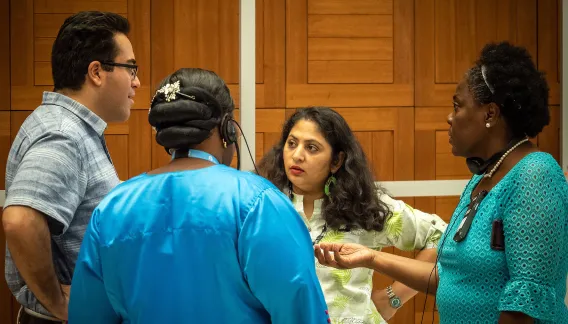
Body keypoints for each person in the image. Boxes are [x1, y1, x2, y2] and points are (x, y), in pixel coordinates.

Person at [315, 41, 568, 324]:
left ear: (490, 114)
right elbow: (450, 279)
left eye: (457, 106)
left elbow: (526, 304)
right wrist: (369, 258)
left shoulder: (534, 175)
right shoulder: (482, 178)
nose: (449, 117)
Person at [67, 68, 330, 323]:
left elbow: (87, 314)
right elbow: (302, 309)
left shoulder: (112, 208)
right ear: (228, 129)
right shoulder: (258, 203)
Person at [1, 11, 140, 323]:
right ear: (96, 72)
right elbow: (20, 219)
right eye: (131, 68)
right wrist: (57, 302)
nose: (137, 81)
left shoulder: (70, 128)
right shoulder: (64, 134)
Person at [256, 107, 447, 323]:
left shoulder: (364, 207)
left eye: (311, 147)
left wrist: (392, 298)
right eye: (292, 144)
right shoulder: (263, 205)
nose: (297, 155)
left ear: (337, 161)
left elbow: (441, 237)